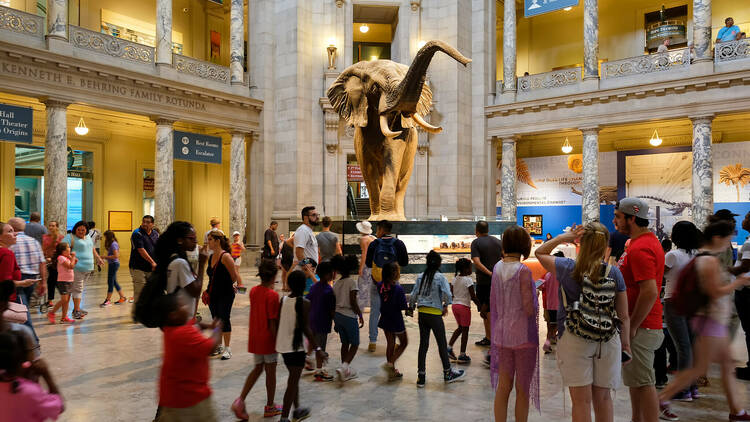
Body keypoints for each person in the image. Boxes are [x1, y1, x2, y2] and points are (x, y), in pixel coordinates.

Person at [536, 223, 631, 422]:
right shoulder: (614, 273)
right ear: (606, 245)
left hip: (574, 337)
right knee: (604, 399)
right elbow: (623, 315)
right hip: (607, 339)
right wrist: (626, 346)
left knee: (581, 402)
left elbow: (540, 252)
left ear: (581, 244)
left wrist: (565, 237)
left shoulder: (567, 268)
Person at [658, 220, 750, 421]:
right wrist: (740, 283)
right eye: (727, 240)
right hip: (710, 320)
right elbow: (714, 292)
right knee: (698, 367)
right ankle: (664, 397)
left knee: (723, 365)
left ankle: (737, 411)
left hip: (711, 319)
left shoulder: (702, 257)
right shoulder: (706, 260)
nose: (728, 244)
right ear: (717, 238)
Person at [613, 198, 668, 422]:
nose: (615, 221)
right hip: (641, 324)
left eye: (618, 217)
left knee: (645, 382)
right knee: (636, 380)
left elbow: (650, 291)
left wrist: (632, 325)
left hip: (642, 326)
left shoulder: (642, 247)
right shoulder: (639, 243)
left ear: (631, 218)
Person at [489, 225, 539, 422]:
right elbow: (528, 309)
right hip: (522, 336)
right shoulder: (523, 271)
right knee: (522, 389)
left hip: (501, 333)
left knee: (503, 386)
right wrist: (536, 295)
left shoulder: (497, 267)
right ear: (524, 245)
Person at [155, 293, 222, 422]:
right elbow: (211, 347)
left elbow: (196, 324)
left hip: (172, 396)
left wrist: (209, 326)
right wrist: (217, 330)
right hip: (190, 398)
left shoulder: (171, 329)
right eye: (182, 306)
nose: (186, 307)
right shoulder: (183, 333)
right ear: (173, 315)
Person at [232, 260, 283, 420]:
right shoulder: (273, 296)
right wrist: (278, 342)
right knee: (271, 373)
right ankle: (270, 406)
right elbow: (272, 322)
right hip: (268, 340)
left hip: (255, 338)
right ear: (274, 276)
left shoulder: (254, 291)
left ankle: (240, 400)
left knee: (257, 369)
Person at [408, 250, 465, 387]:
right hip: (435, 315)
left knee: (423, 345)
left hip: (422, 314)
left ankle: (421, 377)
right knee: (441, 344)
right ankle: (447, 373)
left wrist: (411, 307)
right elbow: (447, 294)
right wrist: (445, 305)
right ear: (439, 263)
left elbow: (414, 294)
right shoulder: (440, 277)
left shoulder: (421, 276)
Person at [276, 271, 326, 422]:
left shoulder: (283, 300)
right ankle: (284, 418)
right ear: (304, 286)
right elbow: (306, 329)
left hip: (283, 346)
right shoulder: (305, 303)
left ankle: (297, 410)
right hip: (295, 348)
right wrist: (318, 349)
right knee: (292, 384)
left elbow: (281, 322)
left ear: (290, 285)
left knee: (293, 379)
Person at [662, 221, 703, 399]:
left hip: (673, 301)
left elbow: (659, 275)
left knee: (682, 347)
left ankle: (683, 389)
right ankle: (693, 387)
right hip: (692, 303)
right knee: (691, 346)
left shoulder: (672, 255)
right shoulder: (698, 255)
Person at [0, 331, 64, 422]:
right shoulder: (29, 392)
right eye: (32, 349)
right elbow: (59, 407)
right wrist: (46, 375)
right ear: (23, 357)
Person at [365, 220, 408, 352]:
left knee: (374, 312)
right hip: (393, 284)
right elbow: (404, 262)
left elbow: (367, 263)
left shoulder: (374, 244)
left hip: (377, 282)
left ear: (381, 230)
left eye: (377, 230)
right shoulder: (399, 243)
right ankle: (392, 340)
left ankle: (372, 341)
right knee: (392, 312)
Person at [154, 222, 202, 321]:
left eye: (195, 238)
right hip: (182, 320)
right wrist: (202, 264)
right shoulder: (180, 263)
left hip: (178, 318)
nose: (195, 241)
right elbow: (195, 292)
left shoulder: (174, 258)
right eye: (191, 238)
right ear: (180, 240)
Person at [8, 218, 46, 341]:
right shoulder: (34, 241)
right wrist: (43, 282)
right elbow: (42, 263)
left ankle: (33, 343)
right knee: (23, 310)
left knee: (22, 314)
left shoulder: (11, 242)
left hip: (19, 279)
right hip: (32, 279)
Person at [206, 230, 242, 360]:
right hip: (212, 293)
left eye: (210, 239)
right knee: (216, 319)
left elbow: (233, 276)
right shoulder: (211, 257)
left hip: (225, 293)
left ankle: (228, 348)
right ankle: (218, 345)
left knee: (224, 318)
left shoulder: (226, 256)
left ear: (217, 241)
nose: (207, 242)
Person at [62, 220, 104, 320]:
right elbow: (61, 249)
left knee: (79, 288)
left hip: (88, 268)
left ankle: (77, 308)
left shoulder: (88, 237)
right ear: (75, 229)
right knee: (78, 289)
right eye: (79, 229)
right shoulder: (70, 237)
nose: (81, 232)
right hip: (77, 268)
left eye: (83, 230)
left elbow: (92, 248)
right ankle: (76, 311)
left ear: (86, 230)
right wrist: (71, 258)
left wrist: (98, 258)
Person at [332, 255, 365, 382]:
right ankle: (344, 367)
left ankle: (344, 368)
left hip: (338, 315)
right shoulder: (352, 282)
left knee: (345, 343)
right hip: (349, 316)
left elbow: (333, 302)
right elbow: (352, 301)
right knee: (355, 344)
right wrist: (360, 315)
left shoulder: (336, 283)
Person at [470, 220, 503, 347]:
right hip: (498, 281)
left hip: (484, 281)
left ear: (476, 231)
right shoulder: (497, 241)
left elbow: (477, 262)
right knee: (495, 309)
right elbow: (504, 258)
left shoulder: (476, 242)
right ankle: (494, 336)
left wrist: (490, 273)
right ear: (488, 229)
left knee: (486, 311)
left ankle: (490, 337)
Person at [377, 261, 408, 381]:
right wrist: (409, 308)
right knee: (404, 342)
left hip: (385, 317)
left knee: (390, 343)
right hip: (396, 319)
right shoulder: (398, 289)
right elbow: (403, 306)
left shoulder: (380, 285)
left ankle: (392, 370)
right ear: (395, 273)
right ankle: (390, 363)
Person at [306, 260, 337, 382]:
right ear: (328, 275)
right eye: (332, 272)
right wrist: (336, 322)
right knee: (320, 347)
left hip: (312, 320)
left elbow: (308, 301)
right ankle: (319, 371)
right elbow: (332, 310)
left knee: (314, 343)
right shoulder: (329, 291)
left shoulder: (314, 287)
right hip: (322, 322)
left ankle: (308, 359)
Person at [447, 258, 479, 363]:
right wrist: (480, 307)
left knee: (460, 328)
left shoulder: (455, 279)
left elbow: (452, 293)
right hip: (464, 307)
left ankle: (449, 347)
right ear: (465, 269)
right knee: (465, 331)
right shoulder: (468, 280)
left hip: (455, 306)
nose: (471, 269)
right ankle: (462, 354)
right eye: (470, 267)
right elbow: (473, 296)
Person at [733, 212, 750, 380]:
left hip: (746, 291)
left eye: (747, 217)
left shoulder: (749, 244)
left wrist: (723, 269)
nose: (743, 220)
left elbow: (744, 267)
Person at [538, 251, 564, 354]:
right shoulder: (563, 275)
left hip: (550, 305)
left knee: (551, 325)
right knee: (561, 326)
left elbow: (540, 286)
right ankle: (559, 342)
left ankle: (548, 342)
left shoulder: (548, 275)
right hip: (561, 305)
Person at [129, 215, 158, 306]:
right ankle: (138, 314)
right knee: (140, 291)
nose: (145, 224)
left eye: (148, 222)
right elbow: (141, 250)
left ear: (152, 224)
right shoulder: (137, 233)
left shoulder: (155, 234)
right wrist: (153, 262)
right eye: (143, 221)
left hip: (150, 268)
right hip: (138, 267)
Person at [48, 242, 76, 324]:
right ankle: (52, 313)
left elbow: (73, 264)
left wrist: (72, 259)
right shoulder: (61, 257)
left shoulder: (66, 257)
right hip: (63, 281)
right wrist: (73, 257)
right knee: (64, 300)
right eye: (68, 248)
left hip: (70, 280)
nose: (70, 249)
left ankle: (64, 317)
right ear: (63, 251)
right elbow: (70, 266)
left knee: (67, 301)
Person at [41, 221, 63, 312]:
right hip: (49, 262)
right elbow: (43, 249)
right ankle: (50, 301)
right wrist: (45, 257)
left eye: (53, 226)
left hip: (58, 262)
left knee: (57, 281)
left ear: (57, 227)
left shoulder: (61, 237)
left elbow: (62, 250)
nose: (51, 227)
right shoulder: (45, 237)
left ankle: (64, 297)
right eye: (50, 226)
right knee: (51, 281)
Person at [100, 230, 127, 306]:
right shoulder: (113, 243)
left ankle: (108, 300)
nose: (105, 238)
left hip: (114, 264)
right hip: (113, 264)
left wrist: (105, 257)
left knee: (110, 282)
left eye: (105, 237)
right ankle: (123, 297)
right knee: (114, 282)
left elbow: (116, 256)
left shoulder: (113, 244)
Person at [356, 220, 376, 311]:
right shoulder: (373, 238)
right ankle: (370, 304)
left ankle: (362, 305)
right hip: (374, 265)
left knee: (362, 284)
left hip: (367, 265)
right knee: (370, 284)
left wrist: (360, 268)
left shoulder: (363, 239)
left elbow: (364, 254)